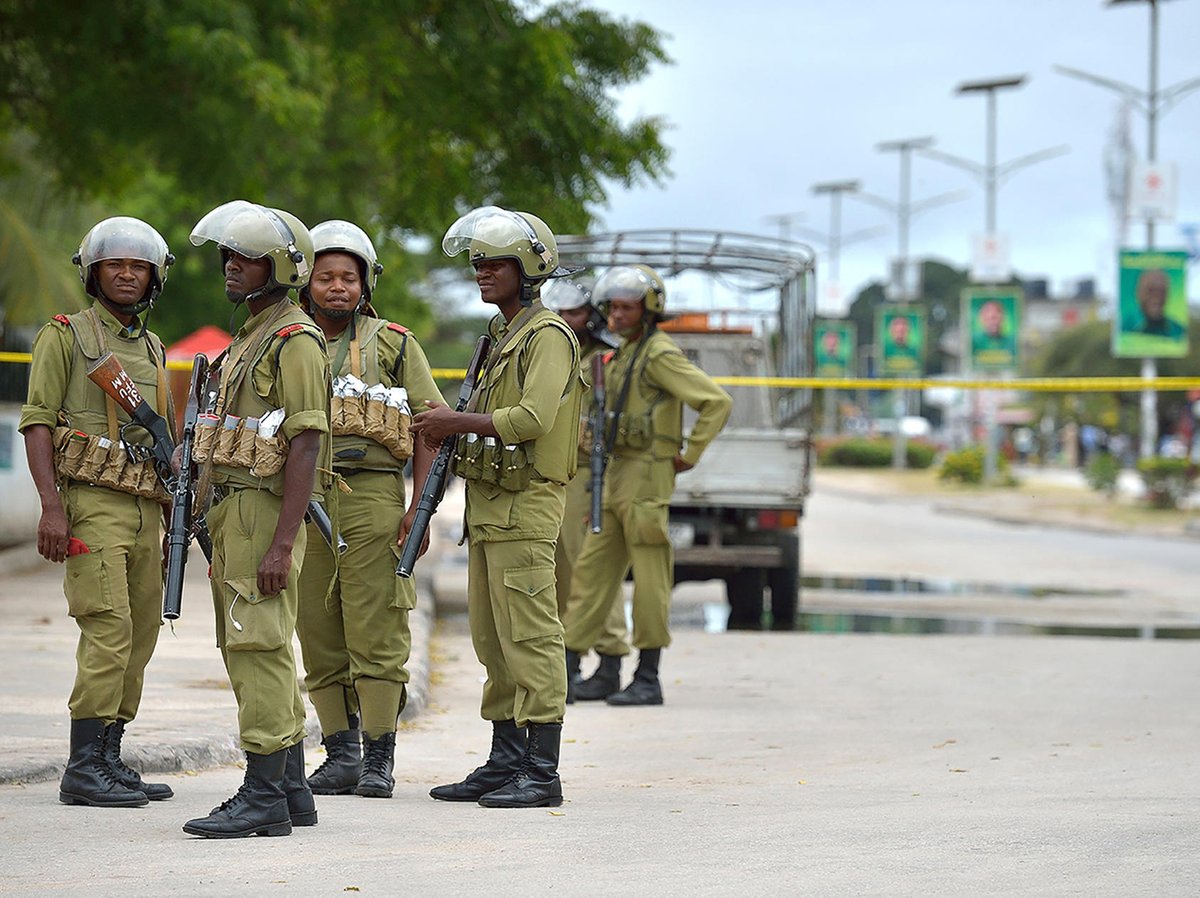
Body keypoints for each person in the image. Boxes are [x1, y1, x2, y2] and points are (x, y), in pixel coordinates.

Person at [413, 205, 582, 808]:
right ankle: (506, 757)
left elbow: (533, 418)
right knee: (492, 640)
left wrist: (456, 420)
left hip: (527, 505)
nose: (481, 272)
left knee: (531, 636)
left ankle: (542, 771)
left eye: (494, 263)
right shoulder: (498, 337)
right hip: (488, 507)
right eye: (477, 262)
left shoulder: (549, 336)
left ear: (529, 267)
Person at [182, 200, 329, 838]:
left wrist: (281, 543)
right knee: (253, 643)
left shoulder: (293, 338)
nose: (231, 267)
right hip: (236, 510)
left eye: (246, 257)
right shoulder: (253, 335)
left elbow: (306, 442)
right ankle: (292, 788)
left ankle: (263, 795)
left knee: (257, 645)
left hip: (263, 513)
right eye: (229, 256)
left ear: (280, 267)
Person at [20, 217, 176, 808]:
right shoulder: (66, 335)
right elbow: (38, 421)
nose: (128, 275)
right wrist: (51, 509)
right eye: (116, 264)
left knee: (139, 637)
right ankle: (83, 767)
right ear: (93, 271)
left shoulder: (153, 346)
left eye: (139, 266)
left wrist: (170, 525)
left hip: (145, 508)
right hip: (91, 506)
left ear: (154, 276)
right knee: (107, 632)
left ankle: (110, 757)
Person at [294, 220, 441, 800]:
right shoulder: (286, 342)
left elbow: (430, 427)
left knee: (377, 626)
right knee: (316, 626)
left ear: (366, 282)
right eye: (325, 276)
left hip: (374, 495)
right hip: (303, 501)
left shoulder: (395, 344)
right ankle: (339, 753)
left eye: (348, 277)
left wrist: (419, 508)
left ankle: (380, 756)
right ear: (304, 281)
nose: (337, 287)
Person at [562, 265, 731, 706]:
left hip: (648, 474)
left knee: (652, 576)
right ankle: (573, 669)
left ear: (649, 310)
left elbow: (715, 402)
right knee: (592, 572)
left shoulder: (657, 353)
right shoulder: (625, 353)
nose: (616, 315)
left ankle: (648, 676)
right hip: (617, 473)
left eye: (626, 307)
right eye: (612, 307)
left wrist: (688, 454)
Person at [541, 278, 630, 702]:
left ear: (590, 315)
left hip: (589, 474)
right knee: (557, 570)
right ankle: (565, 660)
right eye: (558, 311)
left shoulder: (604, 360)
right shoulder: (550, 351)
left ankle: (609, 657)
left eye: (573, 313)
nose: (564, 320)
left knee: (590, 569)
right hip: (553, 475)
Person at [1132, 269, 1184, 338]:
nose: (1156, 296)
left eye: (1161, 291)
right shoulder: (1124, 327)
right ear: (1138, 293)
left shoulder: (1178, 331)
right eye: (1151, 290)